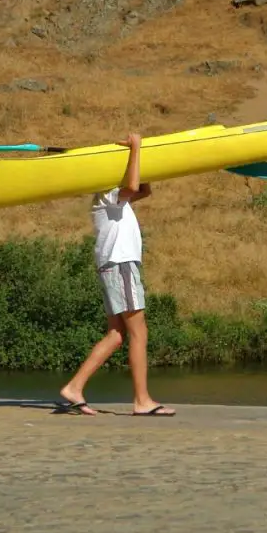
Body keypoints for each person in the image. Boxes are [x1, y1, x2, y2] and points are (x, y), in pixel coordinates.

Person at [58, 132, 175, 417]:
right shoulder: (106, 195)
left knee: (117, 334)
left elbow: (143, 189)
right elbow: (132, 184)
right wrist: (136, 147)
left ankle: (74, 387)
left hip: (116, 265)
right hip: (120, 264)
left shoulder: (116, 200)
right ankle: (142, 400)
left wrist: (144, 157)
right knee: (139, 331)